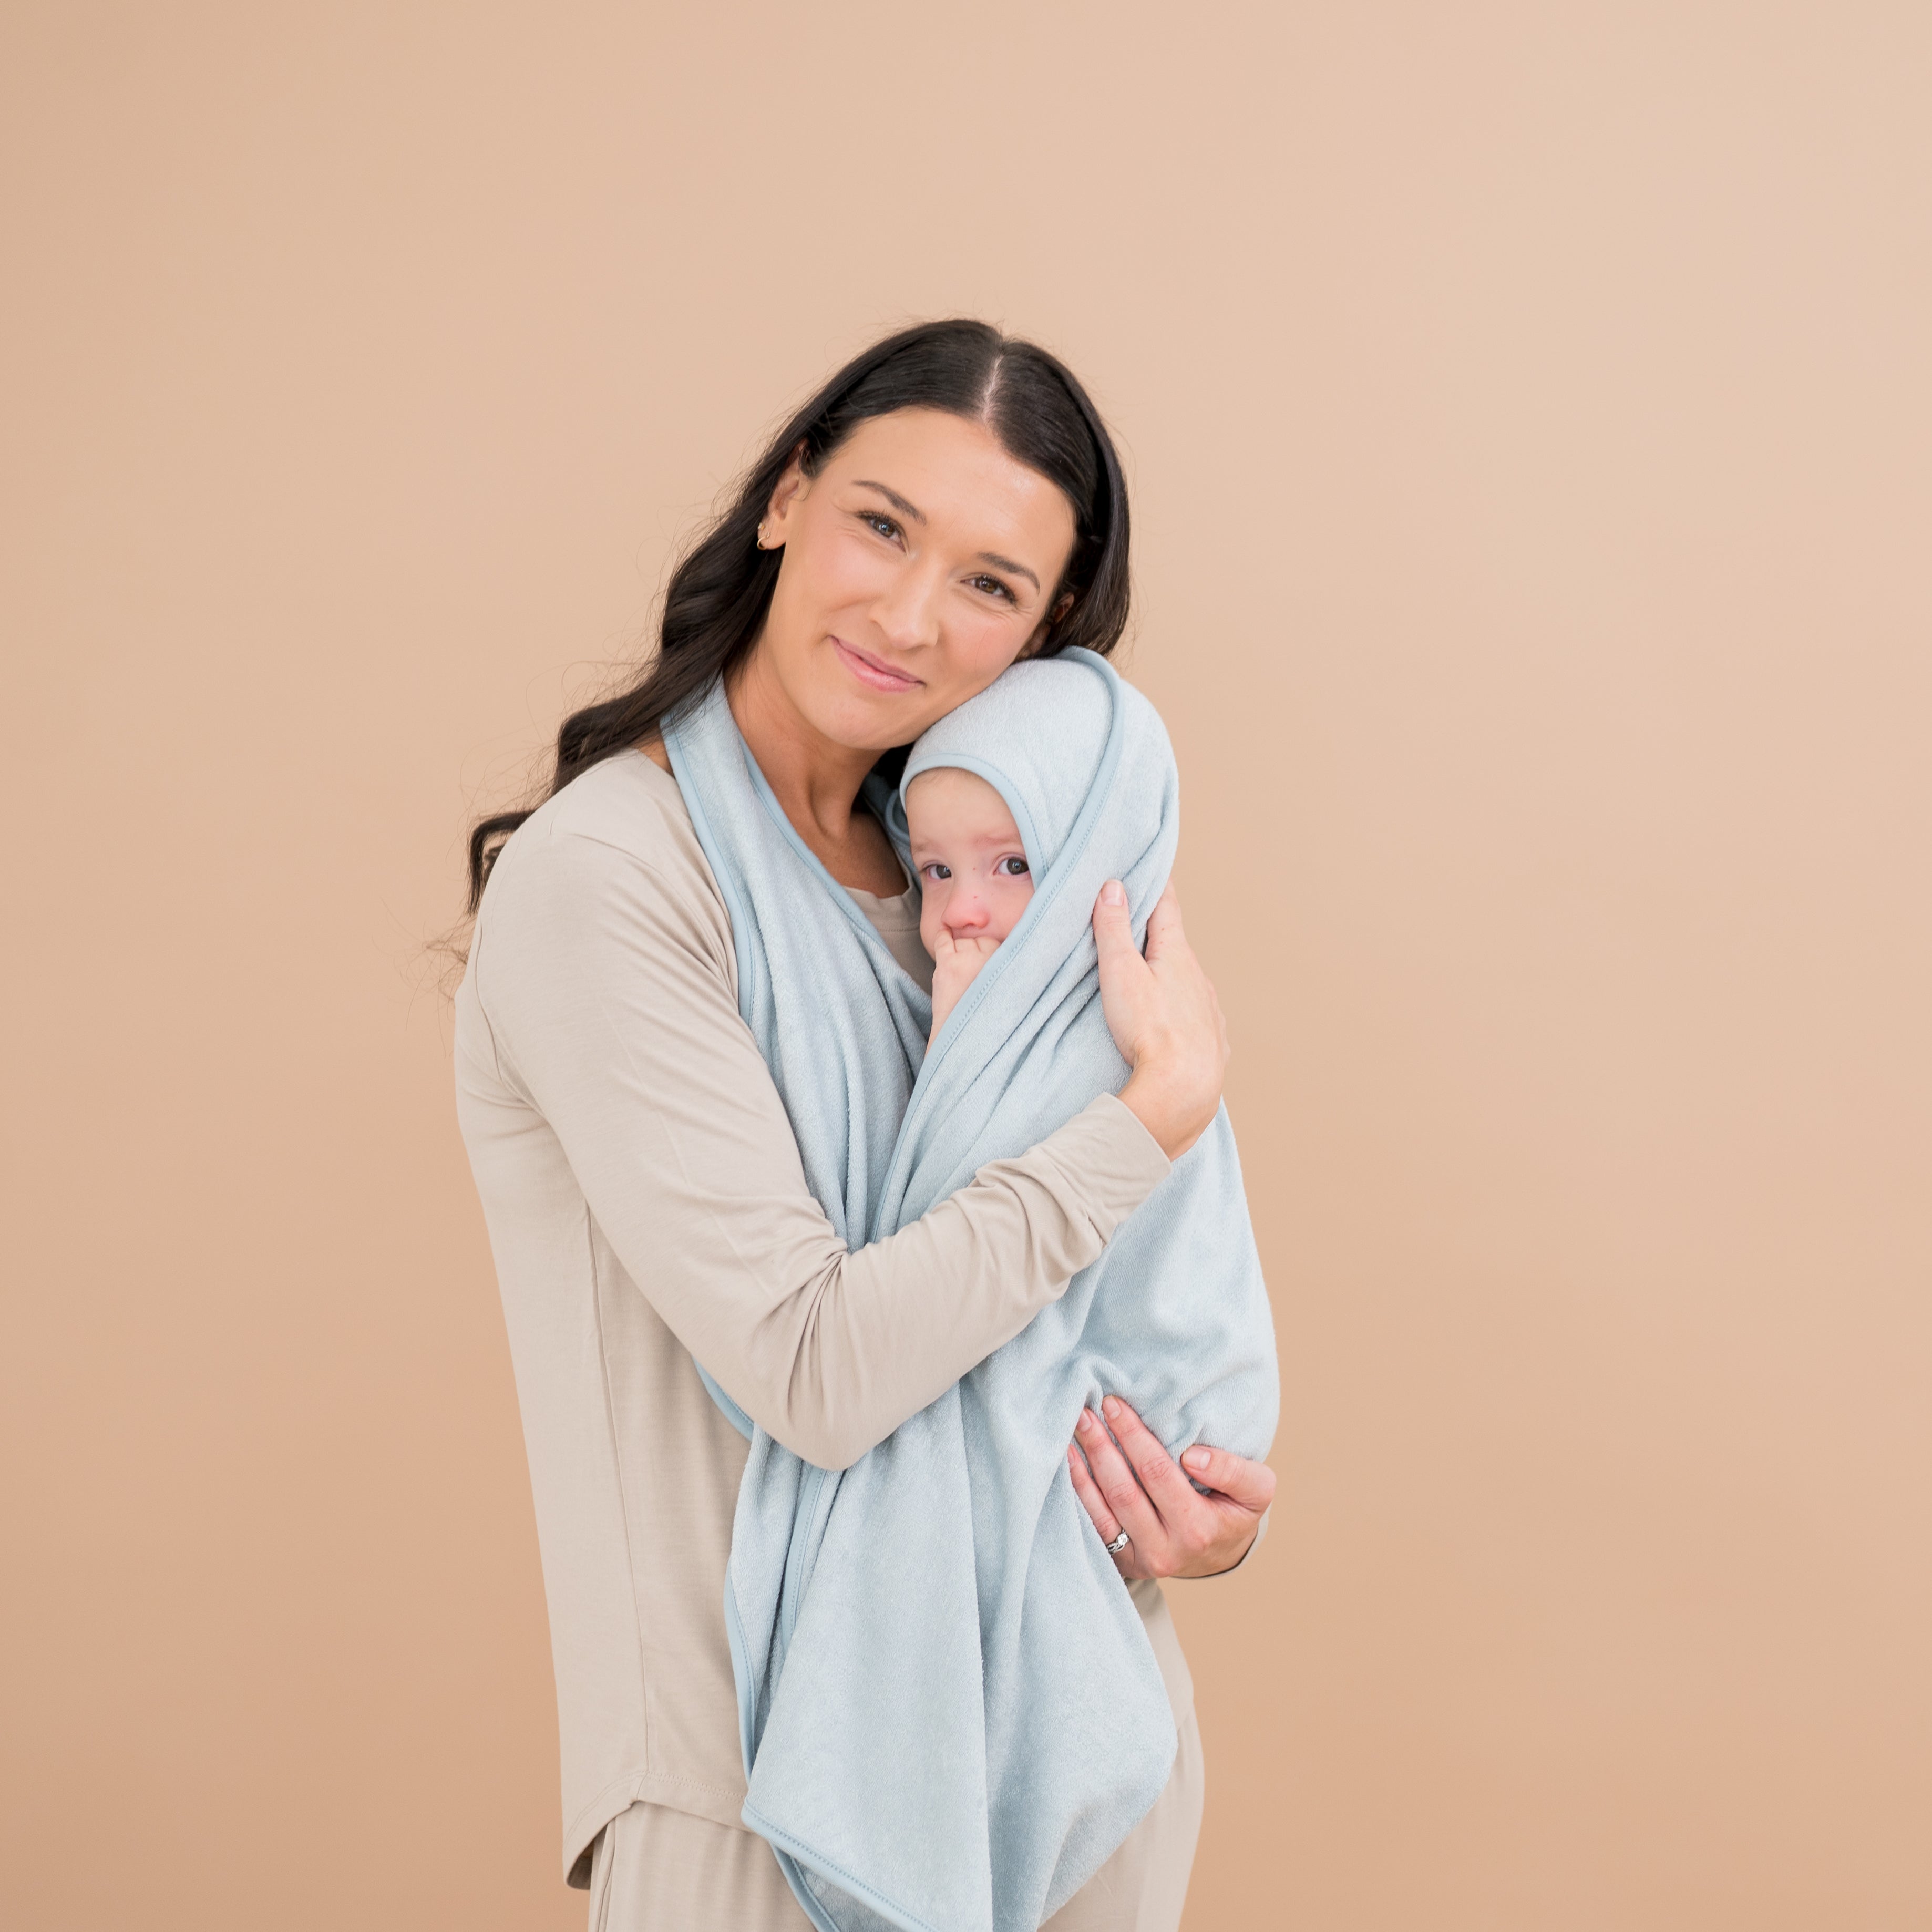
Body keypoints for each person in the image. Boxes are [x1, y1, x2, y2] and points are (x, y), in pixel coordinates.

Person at [455, 319, 1277, 1931]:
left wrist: (1193, 1506)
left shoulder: (988, 893)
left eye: (988, 582)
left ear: (1042, 637)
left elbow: (1088, 1335)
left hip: (1068, 1770)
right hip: (752, 1813)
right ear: (784, 499)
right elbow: (814, 1369)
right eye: (881, 525)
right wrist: (1146, 1118)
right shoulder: (614, 880)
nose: (907, 614)